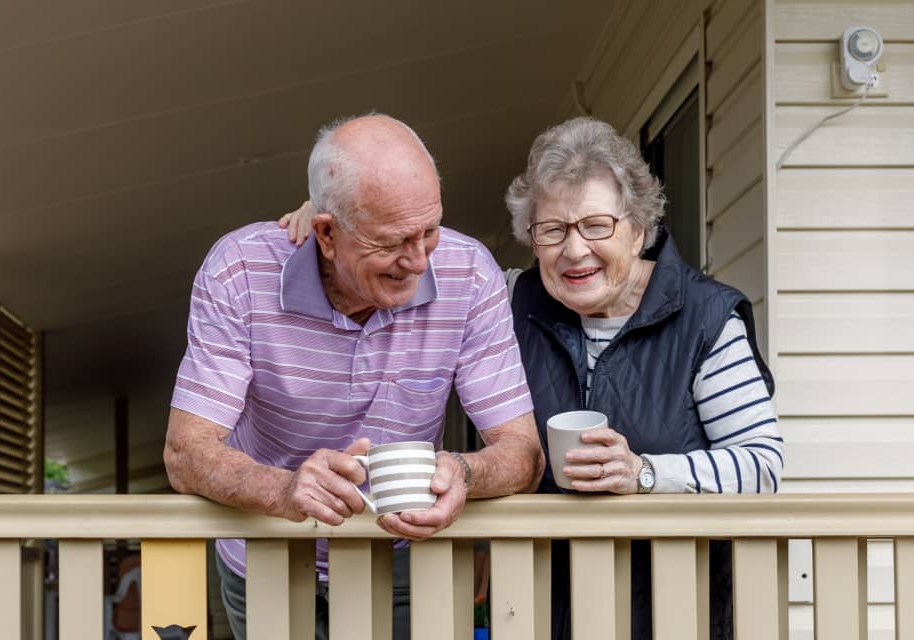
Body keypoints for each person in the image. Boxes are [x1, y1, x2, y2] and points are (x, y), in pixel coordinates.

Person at [281, 116, 783, 639]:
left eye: (597, 225)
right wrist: (332, 229)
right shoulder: (508, 301)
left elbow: (763, 465)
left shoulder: (704, 319)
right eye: (553, 230)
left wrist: (646, 474)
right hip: (538, 608)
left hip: (675, 607)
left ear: (637, 229)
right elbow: (398, 249)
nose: (574, 249)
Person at [164, 113, 545, 640]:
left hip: (404, 554)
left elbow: (523, 453)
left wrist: (465, 472)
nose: (417, 261)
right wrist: (285, 490)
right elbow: (186, 454)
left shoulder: (470, 273)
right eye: (391, 243)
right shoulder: (239, 270)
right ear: (325, 233)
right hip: (267, 550)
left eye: (429, 231)